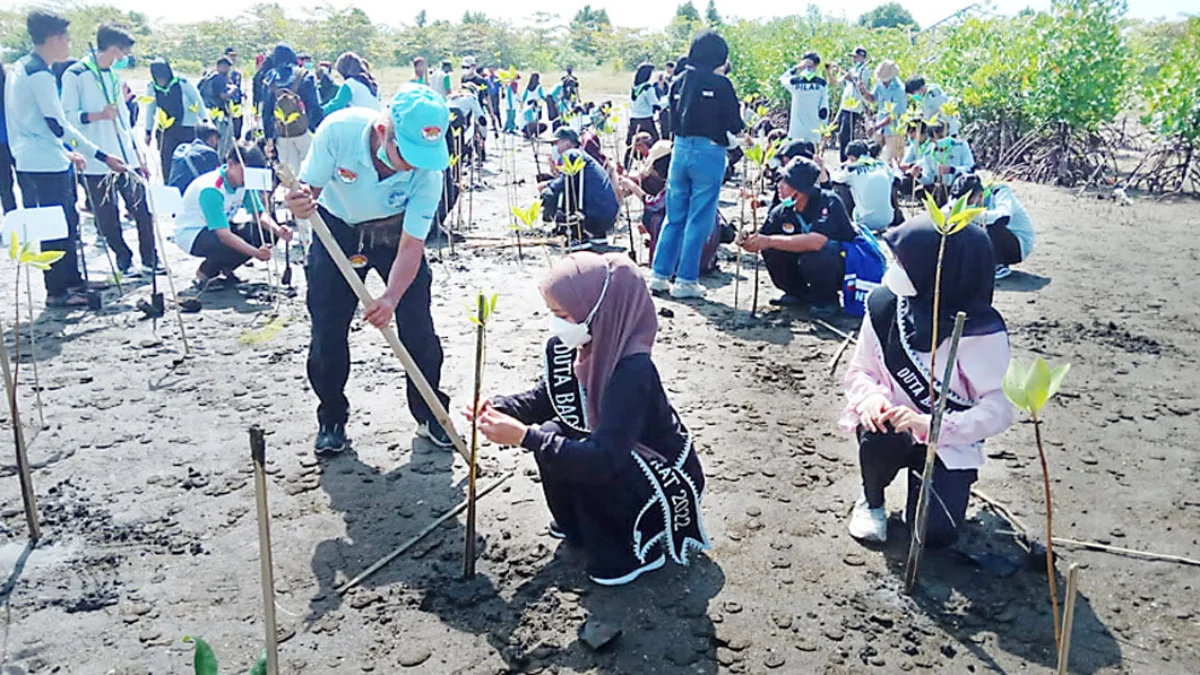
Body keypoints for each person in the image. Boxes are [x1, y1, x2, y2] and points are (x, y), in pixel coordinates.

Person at [469, 252, 710, 586]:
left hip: (655, 470)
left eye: (564, 315)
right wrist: (498, 407)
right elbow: (549, 397)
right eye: (553, 315)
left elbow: (604, 458)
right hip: (612, 450)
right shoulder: (582, 344)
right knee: (555, 430)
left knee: (567, 449)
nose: (557, 325)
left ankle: (627, 552)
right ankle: (579, 527)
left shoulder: (632, 370)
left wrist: (525, 437)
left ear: (599, 312)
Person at [283, 84, 455, 454]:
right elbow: (307, 191)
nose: (414, 165)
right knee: (327, 330)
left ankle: (430, 413)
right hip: (338, 230)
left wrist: (390, 297)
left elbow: (412, 246)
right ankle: (331, 417)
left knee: (419, 328)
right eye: (406, 153)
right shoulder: (338, 131)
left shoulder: (428, 170)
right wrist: (297, 202)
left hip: (394, 233)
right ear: (382, 132)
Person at [843, 216, 1012, 546]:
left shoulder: (980, 329)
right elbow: (860, 371)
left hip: (949, 441)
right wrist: (872, 400)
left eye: (908, 262)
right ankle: (872, 500)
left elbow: (999, 409)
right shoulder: (885, 305)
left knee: (934, 536)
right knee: (880, 435)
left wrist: (933, 425)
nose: (898, 268)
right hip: (893, 428)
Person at [6, 10, 127, 307]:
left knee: (68, 220)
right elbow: (59, 125)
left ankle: (73, 280)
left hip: (41, 156)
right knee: (56, 227)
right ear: (55, 38)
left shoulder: (22, 67)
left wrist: (66, 152)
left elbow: (35, 124)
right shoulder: (39, 75)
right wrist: (100, 154)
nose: (69, 44)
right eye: (67, 37)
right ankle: (58, 291)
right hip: (43, 162)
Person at [648, 31, 744, 299]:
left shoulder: (677, 80)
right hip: (709, 152)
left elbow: (670, 117)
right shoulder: (721, 83)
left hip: (680, 149)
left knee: (674, 216)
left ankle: (659, 274)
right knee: (699, 217)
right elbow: (734, 123)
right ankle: (686, 280)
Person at [61, 23, 159, 277]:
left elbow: (126, 121)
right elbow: (67, 118)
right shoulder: (76, 74)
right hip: (97, 159)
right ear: (113, 48)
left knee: (142, 210)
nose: (125, 58)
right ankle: (124, 259)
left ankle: (150, 259)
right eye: (123, 52)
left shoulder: (115, 77)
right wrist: (98, 116)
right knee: (107, 217)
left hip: (126, 157)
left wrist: (139, 156)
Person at [737, 158, 855, 317]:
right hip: (805, 263)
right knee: (772, 248)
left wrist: (769, 240)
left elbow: (817, 242)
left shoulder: (828, 202)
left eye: (785, 182)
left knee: (819, 254)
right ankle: (798, 292)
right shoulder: (782, 211)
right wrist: (749, 240)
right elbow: (764, 237)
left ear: (800, 189)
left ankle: (826, 299)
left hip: (842, 267)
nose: (779, 186)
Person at [174, 145, 290, 288]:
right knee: (226, 243)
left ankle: (226, 269)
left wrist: (279, 230)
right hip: (193, 234)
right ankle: (205, 273)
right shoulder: (212, 189)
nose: (248, 177)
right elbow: (223, 235)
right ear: (231, 164)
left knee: (266, 232)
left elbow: (259, 214)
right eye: (245, 171)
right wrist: (255, 253)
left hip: (221, 227)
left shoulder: (245, 183)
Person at [539, 128, 619, 248]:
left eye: (556, 143)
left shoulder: (572, 153)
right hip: (607, 214)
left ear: (568, 142)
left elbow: (565, 181)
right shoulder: (583, 155)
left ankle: (577, 235)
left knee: (552, 193)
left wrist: (547, 186)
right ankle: (596, 236)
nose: (554, 147)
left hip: (595, 216)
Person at [951, 174, 1035, 280]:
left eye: (969, 202)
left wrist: (970, 215)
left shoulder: (1000, 192)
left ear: (981, 195)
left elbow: (1004, 216)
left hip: (1018, 244)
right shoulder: (960, 195)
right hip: (994, 236)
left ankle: (998, 265)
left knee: (990, 223)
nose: (967, 205)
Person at [263, 44, 324, 181]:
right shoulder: (305, 75)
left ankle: (295, 199)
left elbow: (266, 111)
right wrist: (317, 128)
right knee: (314, 172)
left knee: (291, 177)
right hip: (305, 131)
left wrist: (269, 137)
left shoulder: (270, 77)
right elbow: (315, 106)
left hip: (282, 133)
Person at [145, 58, 209, 175]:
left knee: (188, 159)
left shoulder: (182, 83)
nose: (161, 80)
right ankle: (169, 185)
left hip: (187, 128)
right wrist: (148, 131)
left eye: (162, 77)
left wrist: (205, 120)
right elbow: (150, 110)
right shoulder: (152, 88)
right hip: (167, 129)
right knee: (167, 162)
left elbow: (197, 100)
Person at [830, 139, 899, 233]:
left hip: (864, 221)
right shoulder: (882, 165)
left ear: (852, 157)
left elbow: (835, 178)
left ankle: (846, 222)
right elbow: (895, 178)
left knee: (840, 186)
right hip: (887, 219)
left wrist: (841, 168)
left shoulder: (852, 169)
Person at [857, 59, 907, 162]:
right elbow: (873, 99)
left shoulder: (899, 90)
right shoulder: (880, 84)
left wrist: (875, 126)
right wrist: (863, 90)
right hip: (880, 127)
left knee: (892, 160)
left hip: (894, 129)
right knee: (870, 155)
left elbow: (894, 116)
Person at [779, 52, 829, 144]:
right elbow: (824, 109)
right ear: (817, 65)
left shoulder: (794, 82)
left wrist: (797, 67)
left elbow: (782, 78)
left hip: (796, 132)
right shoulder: (822, 84)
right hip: (814, 132)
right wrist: (825, 129)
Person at [834, 47, 871, 161]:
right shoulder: (853, 69)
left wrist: (841, 71)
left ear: (862, 57)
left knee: (846, 134)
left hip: (853, 107)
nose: (854, 59)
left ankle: (846, 159)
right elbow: (842, 83)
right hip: (845, 105)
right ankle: (843, 158)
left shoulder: (864, 70)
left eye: (856, 56)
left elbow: (858, 83)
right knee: (841, 132)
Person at [625, 63, 661, 170]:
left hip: (634, 120)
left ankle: (626, 168)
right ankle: (656, 169)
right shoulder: (647, 88)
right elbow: (655, 104)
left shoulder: (634, 88)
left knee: (631, 147)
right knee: (655, 145)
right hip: (646, 120)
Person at [199, 56, 237, 156]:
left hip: (209, 114)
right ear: (219, 66)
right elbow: (223, 96)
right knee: (223, 144)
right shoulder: (219, 78)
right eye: (226, 66)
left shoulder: (209, 77)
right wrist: (233, 89)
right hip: (220, 115)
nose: (228, 69)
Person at [167, 122, 221, 192]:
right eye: (216, 138)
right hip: (191, 196)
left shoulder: (181, 148)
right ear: (211, 138)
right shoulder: (210, 154)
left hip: (173, 194)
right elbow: (216, 183)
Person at [0, 62, 17, 213]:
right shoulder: (9, 86)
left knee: (5, 185)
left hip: (9, 139)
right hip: (15, 138)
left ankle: (12, 218)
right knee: (28, 183)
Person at [224, 47, 245, 142]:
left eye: (235, 56)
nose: (233, 58)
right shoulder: (223, 73)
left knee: (238, 124)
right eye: (231, 56)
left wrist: (242, 94)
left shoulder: (237, 73)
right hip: (227, 102)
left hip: (237, 102)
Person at [521, 72, 546, 139]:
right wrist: (547, 101)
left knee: (529, 121)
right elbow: (542, 96)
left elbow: (524, 96)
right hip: (536, 105)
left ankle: (528, 134)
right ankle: (536, 134)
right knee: (537, 120)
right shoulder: (539, 86)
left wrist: (521, 104)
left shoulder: (528, 87)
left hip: (527, 105)